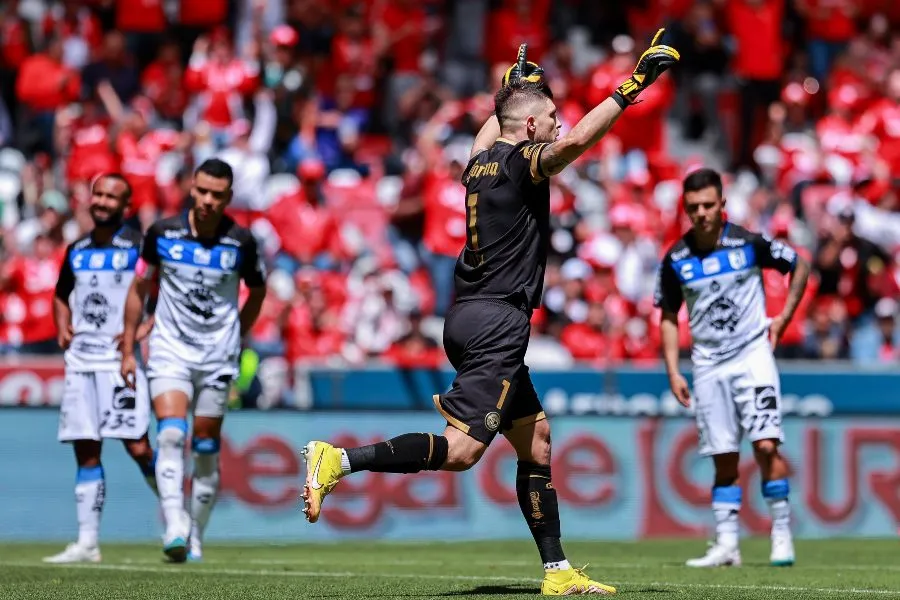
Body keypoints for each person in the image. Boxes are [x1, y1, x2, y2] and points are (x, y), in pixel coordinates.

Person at [299, 33, 680, 596]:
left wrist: (511, 89)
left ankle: (557, 572)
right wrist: (630, 88)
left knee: (538, 441)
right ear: (529, 128)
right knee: (460, 453)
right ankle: (340, 460)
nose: (556, 122)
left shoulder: (480, 163)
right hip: (499, 321)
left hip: (470, 315)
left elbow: (496, 125)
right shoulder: (527, 161)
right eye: (548, 116)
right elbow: (574, 143)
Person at [654, 168, 810, 568]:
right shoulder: (676, 258)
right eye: (694, 207)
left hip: (752, 355)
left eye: (709, 204)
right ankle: (727, 544)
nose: (702, 213)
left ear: (722, 204)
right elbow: (668, 315)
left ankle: (780, 531)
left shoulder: (747, 243)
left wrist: (784, 318)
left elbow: (799, 265)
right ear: (685, 209)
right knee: (723, 455)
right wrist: (674, 371)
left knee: (765, 444)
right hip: (707, 364)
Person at [121, 158, 267, 562]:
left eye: (216, 195)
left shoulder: (242, 241)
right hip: (170, 349)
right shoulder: (161, 233)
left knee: (205, 447)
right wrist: (129, 340)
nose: (206, 201)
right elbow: (139, 286)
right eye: (201, 191)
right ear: (191, 187)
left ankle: (196, 533)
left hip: (217, 355)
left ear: (229, 198)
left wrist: (237, 333)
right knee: (169, 434)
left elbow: (257, 292)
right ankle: (174, 525)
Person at [44, 173, 157, 564]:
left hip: (117, 361)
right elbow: (61, 294)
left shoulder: (138, 247)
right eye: (99, 194)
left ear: (126, 206)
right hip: (81, 362)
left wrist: (145, 326)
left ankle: (178, 516)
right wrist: (62, 323)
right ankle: (87, 543)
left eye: (113, 197)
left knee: (139, 447)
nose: (104, 202)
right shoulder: (76, 250)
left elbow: (161, 291)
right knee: (86, 450)